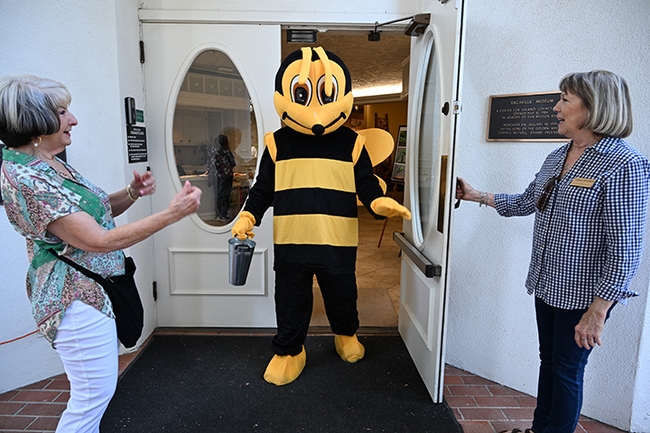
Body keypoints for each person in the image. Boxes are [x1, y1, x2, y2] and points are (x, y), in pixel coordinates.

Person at [0, 74, 202, 433]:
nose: (73, 119)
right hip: (76, 300)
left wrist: (131, 193)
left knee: (96, 395)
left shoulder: (48, 163)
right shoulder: (28, 180)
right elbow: (96, 239)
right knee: (91, 399)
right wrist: (172, 214)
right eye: (62, 112)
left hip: (94, 294)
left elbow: (92, 211)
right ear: (35, 123)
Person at [456, 70, 649, 433]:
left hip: (585, 297)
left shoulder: (624, 164)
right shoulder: (557, 156)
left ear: (594, 108)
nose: (556, 106)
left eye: (565, 99)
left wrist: (599, 310)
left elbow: (625, 249)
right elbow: (530, 201)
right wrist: (477, 195)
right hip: (548, 284)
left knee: (566, 371)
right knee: (550, 363)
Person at [206, 133, 236, 222]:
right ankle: (223, 214)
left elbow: (209, 164)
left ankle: (217, 214)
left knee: (217, 195)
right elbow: (232, 162)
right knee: (225, 195)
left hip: (215, 176)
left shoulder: (212, 150)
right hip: (226, 175)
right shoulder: (225, 150)